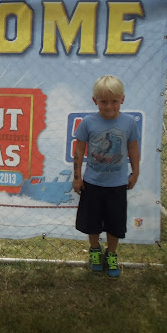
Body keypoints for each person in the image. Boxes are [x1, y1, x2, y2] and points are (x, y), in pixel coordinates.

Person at [72, 75, 140, 278]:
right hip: (92, 184)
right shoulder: (88, 123)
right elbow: (79, 151)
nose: (109, 106)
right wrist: (77, 177)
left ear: (122, 99)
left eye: (114, 101)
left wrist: (135, 172)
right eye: (103, 101)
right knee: (92, 221)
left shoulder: (129, 123)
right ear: (95, 101)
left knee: (114, 223)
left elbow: (133, 148)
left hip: (117, 185)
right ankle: (94, 250)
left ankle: (111, 253)